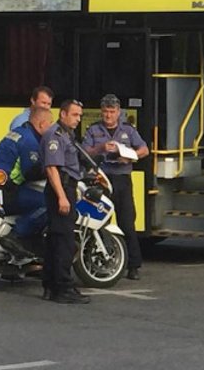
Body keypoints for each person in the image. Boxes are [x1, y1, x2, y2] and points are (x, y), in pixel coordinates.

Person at [82, 94, 149, 281]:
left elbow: (145, 149)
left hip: (122, 178)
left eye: (112, 112)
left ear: (118, 112)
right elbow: (85, 151)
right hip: (102, 179)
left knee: (127, 222)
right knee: (99, 222)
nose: (108, 115)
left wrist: (130, 155)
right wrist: (101, 148)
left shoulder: (128, 129)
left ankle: (133, 265)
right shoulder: (93, 130)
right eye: (105, 112)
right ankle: (98, 261)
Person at [0, 107, 54, 257]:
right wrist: (53, 170)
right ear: (42, 124)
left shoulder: (20, 132)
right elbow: (31, 172)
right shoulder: (30, 142)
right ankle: (17, 236)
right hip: (2, 190)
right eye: (50, 124)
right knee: (49, 202)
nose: (52, 128)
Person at [40, 99, 90, 304]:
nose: (78, 119)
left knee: (56, 240)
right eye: (75, 115)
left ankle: (51, 285)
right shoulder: (55, 135)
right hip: (60, 189)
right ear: (62, 114)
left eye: (80, 115)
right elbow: (52, 168)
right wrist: (61, 196)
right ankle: (63, 288)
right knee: (64, 241)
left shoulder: (67, 135)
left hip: (66, 186)